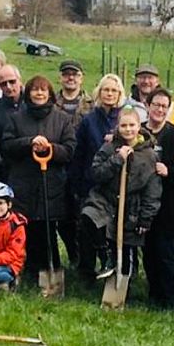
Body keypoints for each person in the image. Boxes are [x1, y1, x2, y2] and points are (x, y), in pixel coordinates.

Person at [1, 75, 76, 279]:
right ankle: (27, 269)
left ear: (50, 93)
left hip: (51, 183)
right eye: (35, 90)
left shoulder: (62, 119)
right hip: (23, 182)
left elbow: (70, 150)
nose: (39, 93)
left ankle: (51, 269)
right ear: (28, 93)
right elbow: (7, 146)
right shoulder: (16, 118)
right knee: (26, 227)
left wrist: (51, 148)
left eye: (43, 89)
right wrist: (29, 142)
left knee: (48, 227)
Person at [81, 106, 162, 280]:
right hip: (105, 200)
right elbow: (96, 173)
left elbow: (152, 189)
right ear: (118, 127)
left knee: (126, 250)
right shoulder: (109, 148)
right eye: (124, 126)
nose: (128, 129)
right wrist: (117, 160)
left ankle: (125, 284)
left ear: (139, 126)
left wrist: (146, 217)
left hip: (131, 206)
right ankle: (106, 257)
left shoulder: (148, 154)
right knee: (89, 219)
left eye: (132, 125)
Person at [141, 88, 174, 308]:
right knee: (148, 251)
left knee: (165, 252)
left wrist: (170, 170)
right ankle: (153, 293)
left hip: (169, 205)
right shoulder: (140, 132)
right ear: (148, 105)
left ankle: (170, 298)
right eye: (156, 105)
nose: (160, 110)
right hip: (143, 203)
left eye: (164, 106)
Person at [71, 73, 126, 281]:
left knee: (112, 229)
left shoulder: (124, 118)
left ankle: (116, 267)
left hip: (117, 185)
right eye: (106, 90)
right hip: (91, 182)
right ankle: (86, 272)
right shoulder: (89, 120)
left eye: (114, 90)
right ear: (99, 92)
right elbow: (80, 152)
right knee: (87, 225)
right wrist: (77, 183)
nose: (110, 94)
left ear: (120, 94)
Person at [55, 59, 94, 266]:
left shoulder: (91, 104)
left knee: (81, 214)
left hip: (82, 166)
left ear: (81, 78)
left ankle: (83, 258)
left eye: (75, 74)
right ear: (60, 77)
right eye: (66, 74)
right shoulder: (51, 102)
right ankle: (72, 253)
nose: (70, 78)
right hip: (56, 165)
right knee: (62, 217)